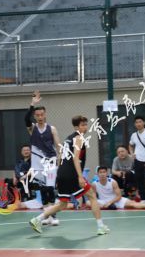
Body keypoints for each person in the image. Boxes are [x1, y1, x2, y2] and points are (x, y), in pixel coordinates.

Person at [29, 116, 110, 235]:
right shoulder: (79, 138)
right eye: (82, 125)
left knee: (62, 204)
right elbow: (75, 158)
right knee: (92, 196)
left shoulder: (68, 139)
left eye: (86, 124)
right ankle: (101, 226)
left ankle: (37, 219)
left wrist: (59, 175)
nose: (85, 127)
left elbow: (61, 157)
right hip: (71, 175)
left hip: (62, 174)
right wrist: (80, 176)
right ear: (76, 127)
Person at [25, 91, 61, 225]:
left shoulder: (52, 129)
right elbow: (26, 119)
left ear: (45, 115)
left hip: (50, 162)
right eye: (37, 115)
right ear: (35, 116)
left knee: (50, 188)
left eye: (42, 114)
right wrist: (32, 104)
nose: (40, 117)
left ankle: (53, 216)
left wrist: (60, 160)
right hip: (37, 164)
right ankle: (47, 216)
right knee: (43, 190)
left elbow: (58, 145)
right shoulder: (32, 129)